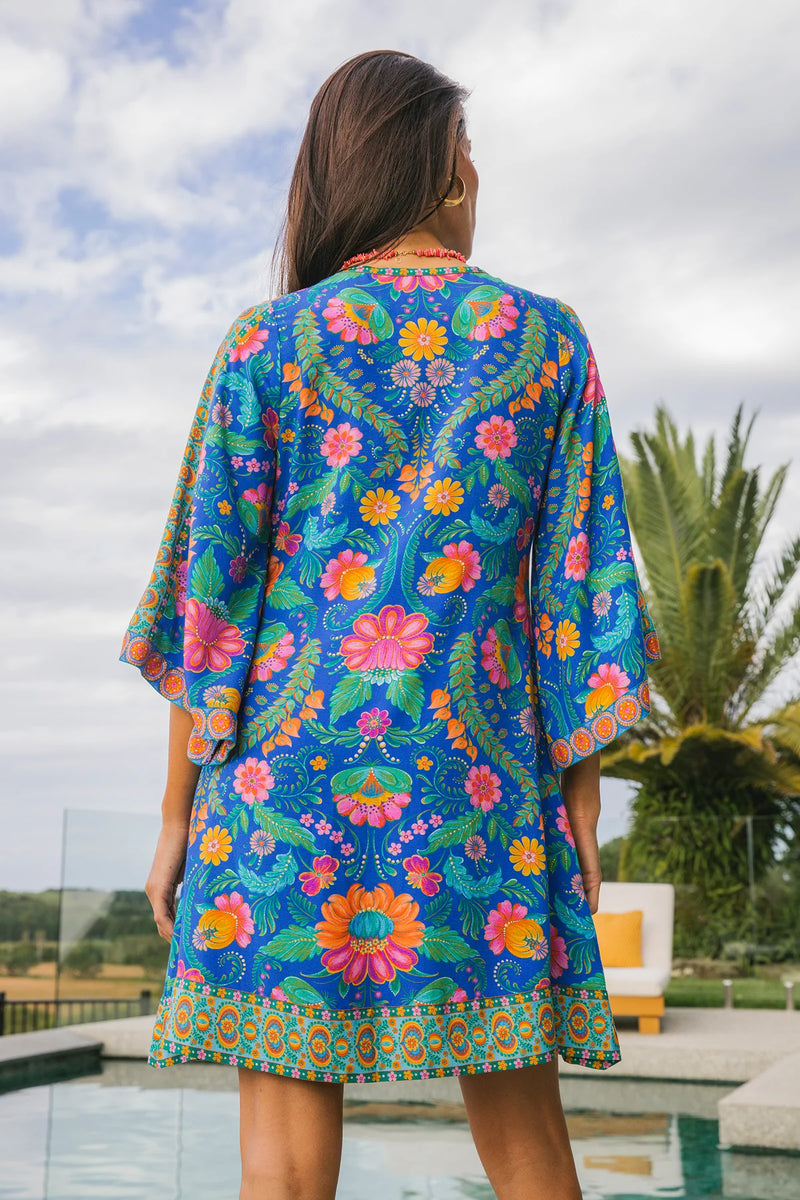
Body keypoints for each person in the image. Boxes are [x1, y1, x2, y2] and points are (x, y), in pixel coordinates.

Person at [120, 48, 660, 1200]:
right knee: (528, 1153)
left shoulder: (269, 346)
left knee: (280, 1170)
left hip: (281, 796)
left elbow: (209, 617)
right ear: (446, 171)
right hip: (477, 785)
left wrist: (175, 814)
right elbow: (576, 597)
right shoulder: (546, 342)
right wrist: (577, 800)